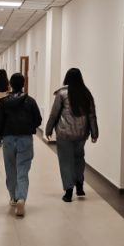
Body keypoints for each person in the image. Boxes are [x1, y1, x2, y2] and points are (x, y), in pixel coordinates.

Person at [0, 73, 41, 217]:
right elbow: (38, 120)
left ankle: (13, 197)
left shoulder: (3, 102)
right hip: (25, 139)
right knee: (22, 170)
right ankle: (21, 198)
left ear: (10, 85)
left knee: (11, 169)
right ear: (23, 84)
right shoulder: (30, 101)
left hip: (8, 139)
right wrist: (28, 125)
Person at [46, 68, 99, 202]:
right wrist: (94, 132)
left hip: (64, 134)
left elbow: (54, 114)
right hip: (82, 134)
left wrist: (48, 129)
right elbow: (92, 115)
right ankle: (79, 185)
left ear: (67, 78)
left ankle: (69, 191)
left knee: (66, 161)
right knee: (79, 159)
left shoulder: (62, 93)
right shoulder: (86, 93)